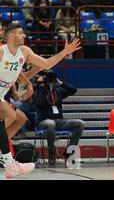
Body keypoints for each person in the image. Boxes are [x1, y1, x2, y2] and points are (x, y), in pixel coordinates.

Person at [0, 23, 80, 178]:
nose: (24, 35)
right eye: (21, 33)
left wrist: (65, 52)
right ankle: (10, 165)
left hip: (1, 95)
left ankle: (9, 165)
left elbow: (46, 64)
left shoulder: (25, 52)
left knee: (3, 123)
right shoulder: (2, 52)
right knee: (7, 118)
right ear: (11, 36)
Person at [34, 71, 84, 166]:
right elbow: (39, 104)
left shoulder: (58, 91)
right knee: (50, 123)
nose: (50, 80)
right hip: (43, 122)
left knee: (80, 123)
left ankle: (69, 153)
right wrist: (41, 86)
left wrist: (60, 83)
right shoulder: (37, 90)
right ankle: (52, 154)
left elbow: (73, 90)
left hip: (59, 121)